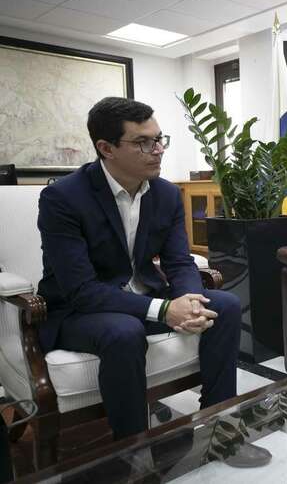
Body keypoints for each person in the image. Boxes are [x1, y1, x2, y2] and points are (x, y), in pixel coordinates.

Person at [37, 97, 242, 440]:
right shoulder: (63, 198)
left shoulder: (166, 194)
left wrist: (190, 300)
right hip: (81, 311)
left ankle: (218, 423)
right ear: (106, 148)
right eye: (143, 142)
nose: (158, 150)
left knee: (225, 305)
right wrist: (164, 310)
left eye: (159, 139)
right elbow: (81, 290)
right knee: (124, 331)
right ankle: (133, 449)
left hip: (145, 299)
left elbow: (179, 261)